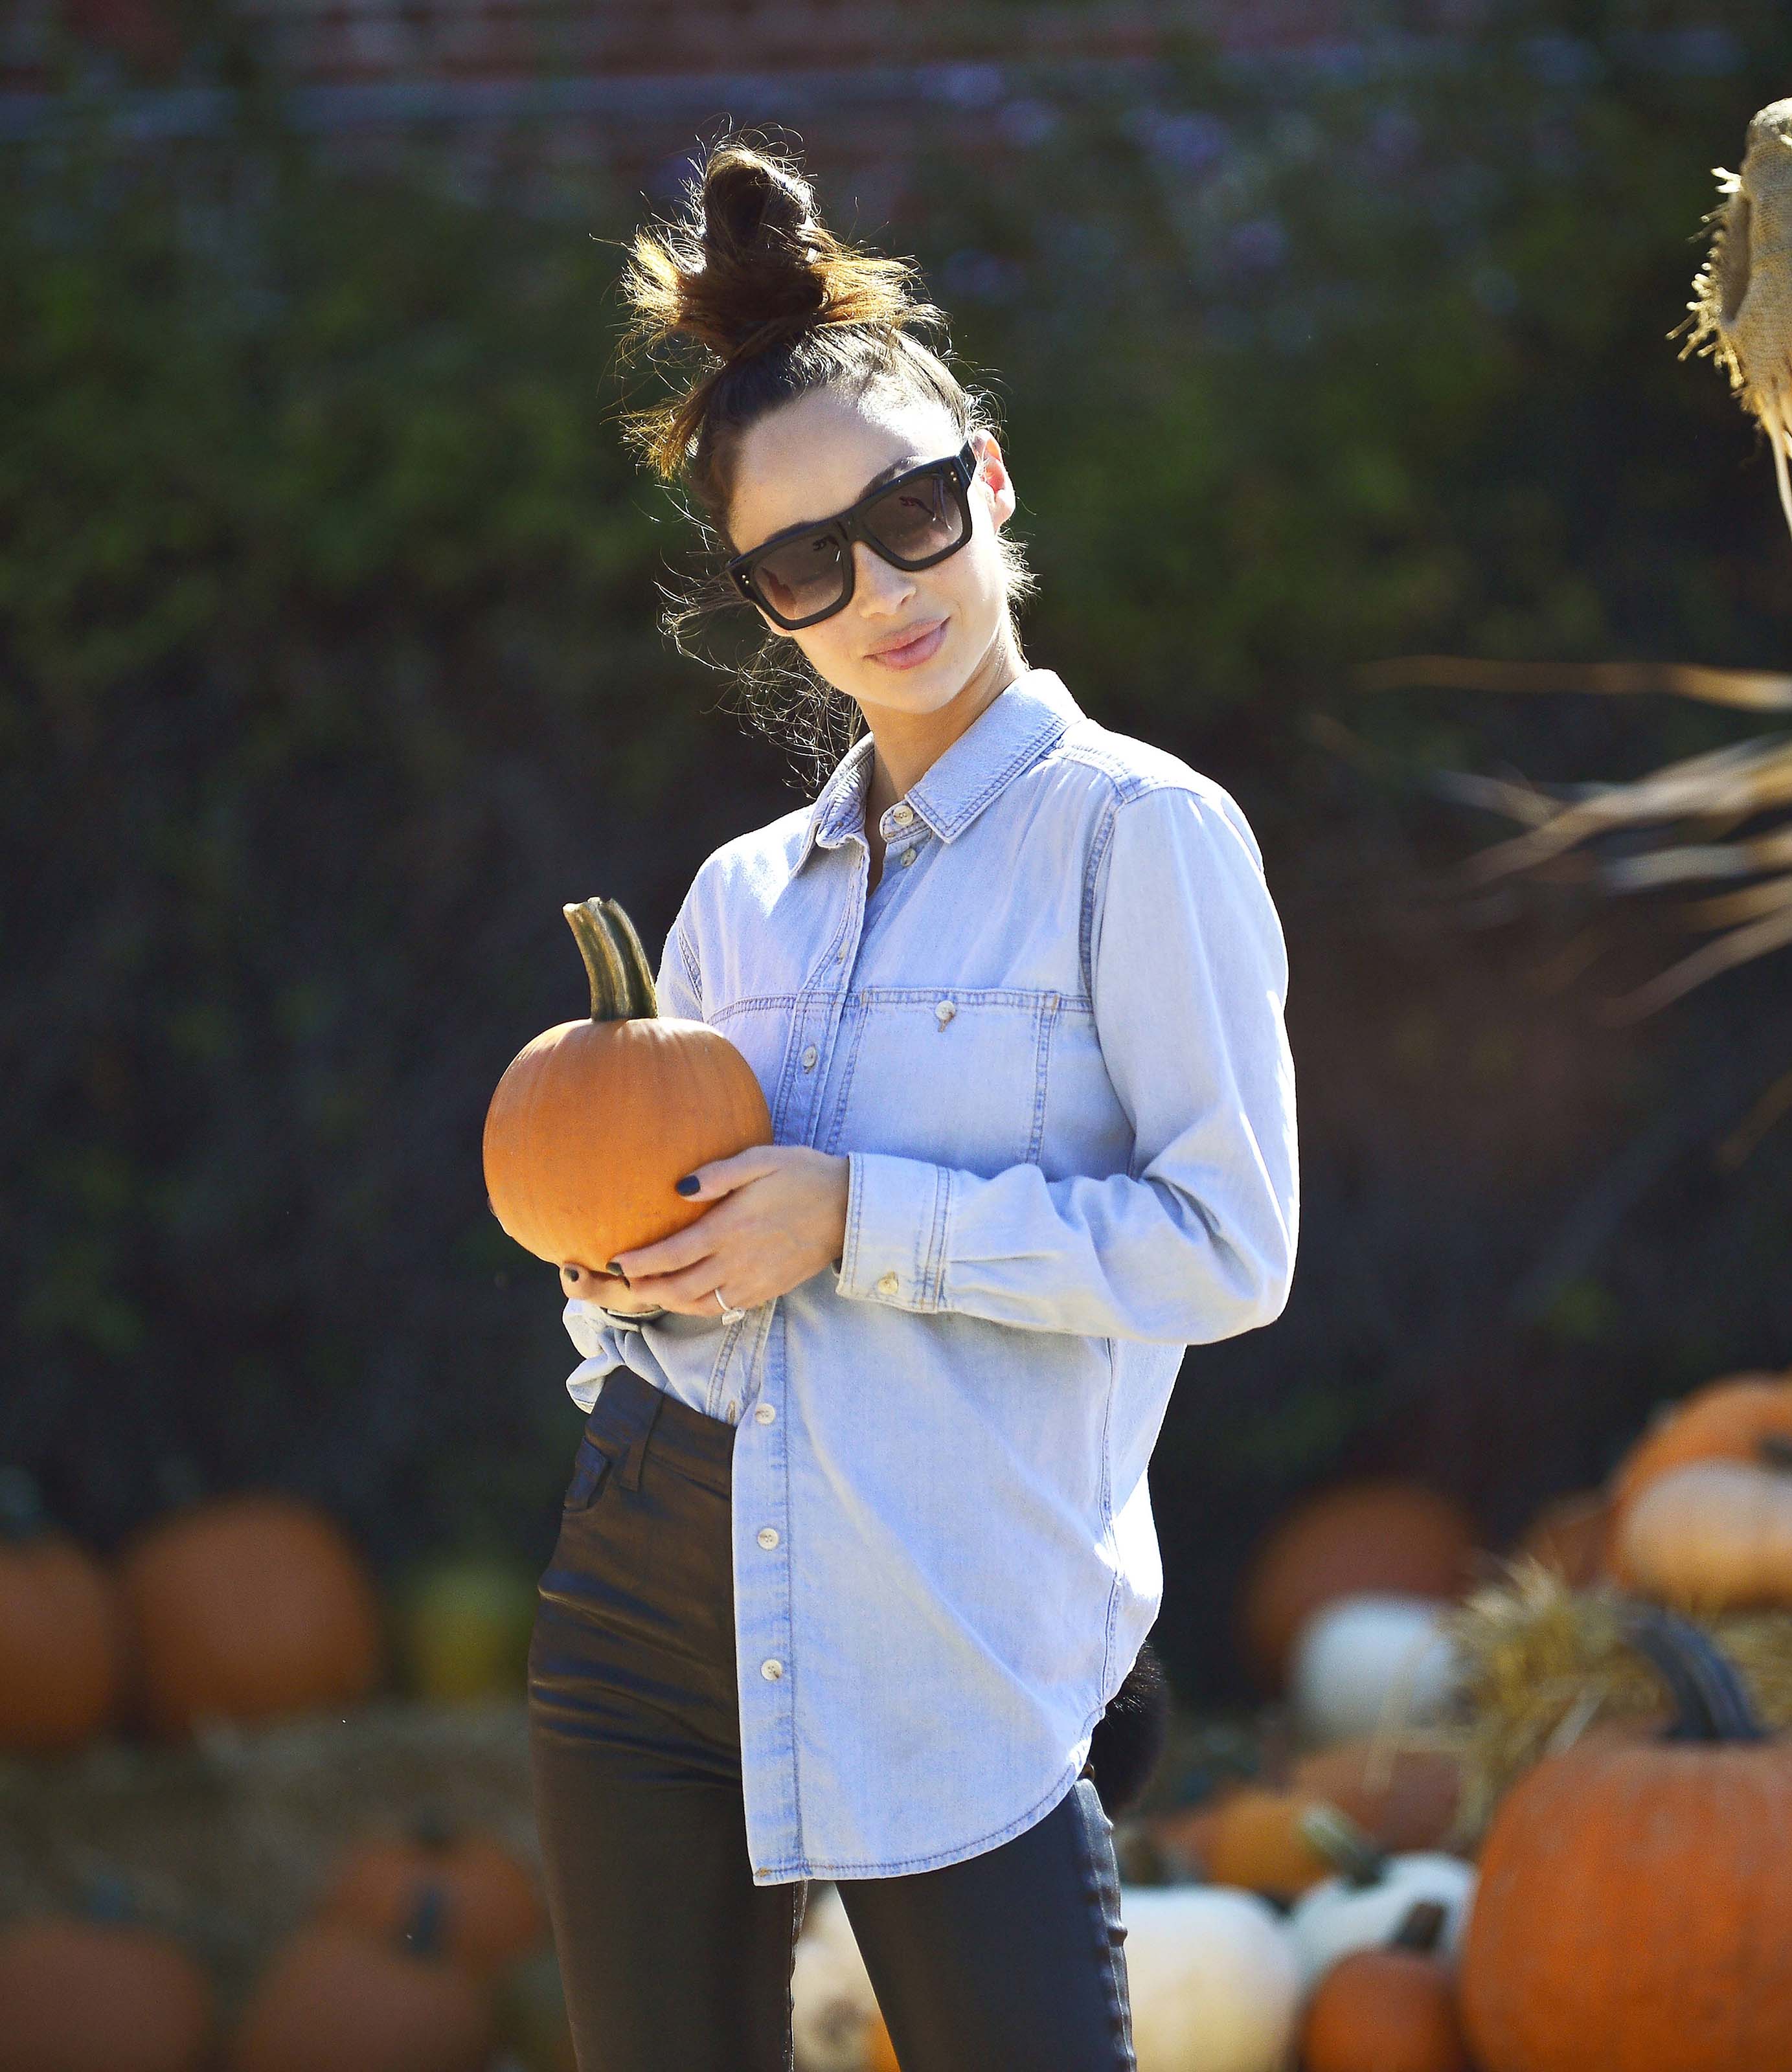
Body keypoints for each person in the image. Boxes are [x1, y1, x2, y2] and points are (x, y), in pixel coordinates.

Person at [525, 134, 1300, 2072]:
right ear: (763, 601)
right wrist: (624, 1285)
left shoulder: (1144, 840)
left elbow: (1233, 1247)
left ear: (992, 485)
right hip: (646, 1591)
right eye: (808, 560)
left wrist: (857, 1217)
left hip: (950, 1638)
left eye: (914, 510)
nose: (882, 586)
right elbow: (644, 1261)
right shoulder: (735, 902)